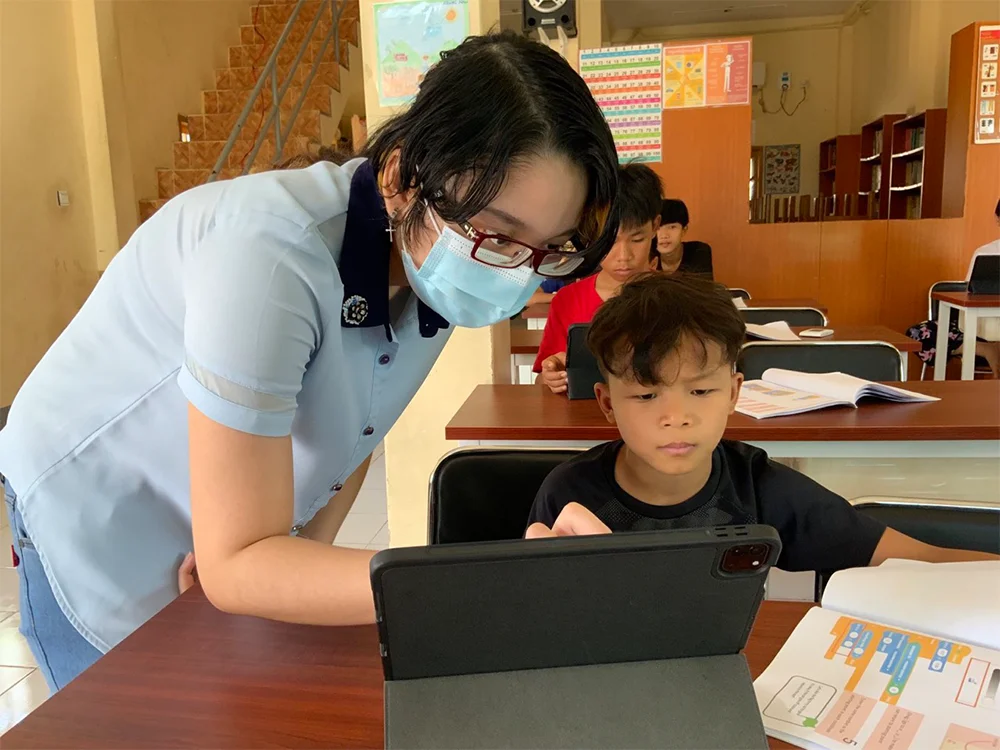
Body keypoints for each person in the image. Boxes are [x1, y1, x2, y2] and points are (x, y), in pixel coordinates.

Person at [0, 31, 622, 692]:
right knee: (128, 711)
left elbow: (354, 440)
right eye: (498, 236)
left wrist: (285, 567)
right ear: (402, 177)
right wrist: (478, 582)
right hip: (91, 499)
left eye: (550, 250)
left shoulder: (435, 266)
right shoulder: (270, 255)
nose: (516, 275)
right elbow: (235, 564)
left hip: (209, 508)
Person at [525, 274, 998, 570]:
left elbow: (918, 561)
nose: (676, 418)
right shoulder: (568, 494)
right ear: (607, 403)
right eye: (646, 395)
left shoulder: (759, 488)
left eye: (701, 391)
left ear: (734, 393)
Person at [534, 163, 662, 394]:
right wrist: (551, 377)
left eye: (637, 239)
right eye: (609, 241)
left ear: (655, 226)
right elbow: (542, 381)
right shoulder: (567, 301)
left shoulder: (679, 299)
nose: (624, 256)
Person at [906, 198, 1000, 377]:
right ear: (998, 219)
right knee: (917, 333)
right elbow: (969, 295)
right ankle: (984, 349)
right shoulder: (985, 253)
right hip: (980, 325)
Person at [655, 198, 713, 277]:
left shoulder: (699, 252)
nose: (664, 235)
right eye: (658, 228)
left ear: (684, 230)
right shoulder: (646, 256)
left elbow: (703, 284)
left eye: (672, 227)